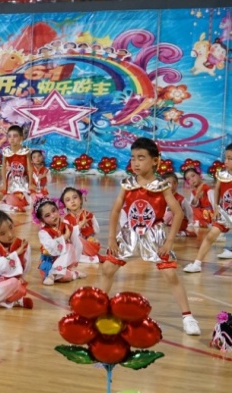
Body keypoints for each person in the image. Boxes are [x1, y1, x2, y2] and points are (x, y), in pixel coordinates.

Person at [98, 137, 200, 335]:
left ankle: (188, 316)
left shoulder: (161, 185)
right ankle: (98, 310)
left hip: (155, 234)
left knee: (170, 274)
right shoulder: (127, 184)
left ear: (154, 161)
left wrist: (169, 242)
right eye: (133, 157)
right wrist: (111, 238)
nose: (135, 162)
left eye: (141, 158)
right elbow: (116, 210)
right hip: (130, 233)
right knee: (108, 268)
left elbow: (178, 213)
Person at [184, 144, 232, 273]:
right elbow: (217, 191)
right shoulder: (222, 175)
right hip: (226, 213)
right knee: (210, 236)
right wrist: (216, 208)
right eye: (226, 158)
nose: (226, 161)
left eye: (230, 159)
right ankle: (197, 264)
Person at [34, 197, 84, 285]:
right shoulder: (43, 232)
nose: (53, 216)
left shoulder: (67, 226)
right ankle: (72, 274)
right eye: (47, 215)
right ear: (42, 220)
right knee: (65, 276)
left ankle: (53, 275)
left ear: (58, 209)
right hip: (50, 262)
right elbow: (50, 247)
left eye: (54, 211)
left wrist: (75, 259)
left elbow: (77, 244)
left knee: (70, 246)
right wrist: (64, 237)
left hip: (66, 261)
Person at [60, 186, 100, 264]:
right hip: (74, 245)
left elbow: (96, 230)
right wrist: (79, 226)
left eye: (75, 197)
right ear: (65, 205)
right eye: (68, 200)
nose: (72, 201)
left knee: (93, 242)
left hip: (87, 243)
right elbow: (68, 236)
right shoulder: (66, 219)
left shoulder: (89, 215)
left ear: (80, 199)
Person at [0, 125, 32, 213]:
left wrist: (31, 182)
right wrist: (4, 183)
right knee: (4, 194)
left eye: (15, 136)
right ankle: (14, 204)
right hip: (13, 177)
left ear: (21, 138)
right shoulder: (6, 151)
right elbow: (3, 167)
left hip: (24, 177)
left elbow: (29, 167)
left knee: (31, 197)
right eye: (9, 136)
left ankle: (20, 204)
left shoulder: (25, 151)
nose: (12, 139)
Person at [162, 171, 194, 237]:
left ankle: (179, 232)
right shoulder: (160, 198)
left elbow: (189, 212)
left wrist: (190, 222)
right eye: (168, 183)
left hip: (178, 224)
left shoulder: (181, 199)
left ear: (177, 184)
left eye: (174, 183)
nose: (172, 185)